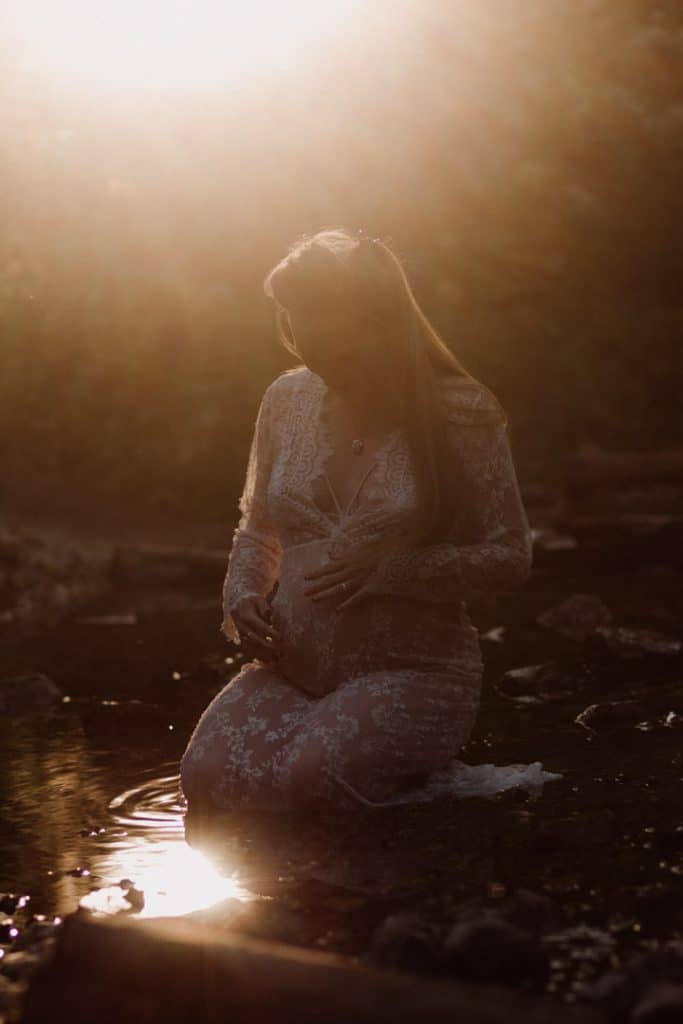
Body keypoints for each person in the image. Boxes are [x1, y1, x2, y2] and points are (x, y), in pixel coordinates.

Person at [179, 227, 533, 816]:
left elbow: (509, 557)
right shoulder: (286, 401)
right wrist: (242, 596)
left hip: (412, 673)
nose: (307, 349)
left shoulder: (462, 411)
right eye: (293, 325)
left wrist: (392, 568)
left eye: (325, 334)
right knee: (206, 782)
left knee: (310, 783)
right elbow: (258, 529)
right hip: (292, 673)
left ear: (376, 320)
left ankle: (423, 844)